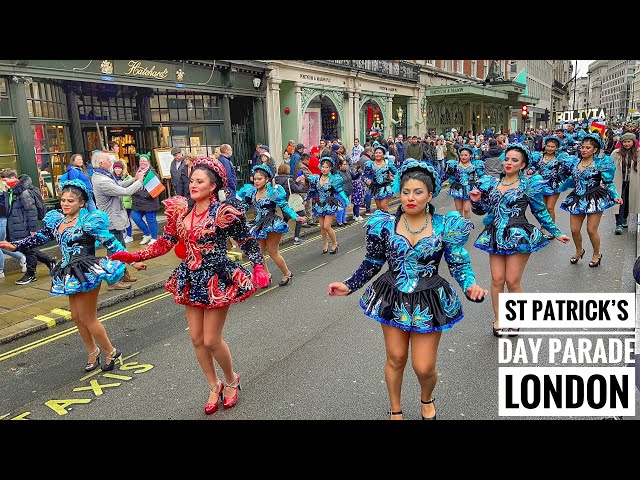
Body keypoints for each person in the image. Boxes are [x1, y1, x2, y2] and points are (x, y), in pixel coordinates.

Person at [328, 160, 487, 420]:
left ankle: (427, 398)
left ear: (430, 194)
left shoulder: (445, 225)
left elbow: (458, 261)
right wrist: (349, 285)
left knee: (423, 367)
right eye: (405, 192)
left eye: (418, 192)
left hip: (429, 298)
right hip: (393, 295)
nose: (410, 198)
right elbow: (373, 262)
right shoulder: (384, 224)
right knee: (396, 357)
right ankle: (396, 409)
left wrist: (470, 285)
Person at [110, 157, 270, 414]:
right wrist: (134, 256)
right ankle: (213, 385)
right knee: (196, 339)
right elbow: (165, 243)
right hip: (191, 276)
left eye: (199, 181)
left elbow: (247, 240)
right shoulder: (181, 211)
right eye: (192, 180)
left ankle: (231, 379)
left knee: (211, 339)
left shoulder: (223, 211)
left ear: (213, 185)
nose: (193, 185)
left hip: (218, 275)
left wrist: (259, 265)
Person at [0, 180, 146, 371]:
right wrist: (16, 245)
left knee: (88, 318)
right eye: (63, 200)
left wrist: (133, 260)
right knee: (77, 317)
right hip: (69, 271)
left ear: (81, 203)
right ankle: (93, 351)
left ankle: (111, 351)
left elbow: (112, 243)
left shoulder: (89, 221)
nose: (66, 204)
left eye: (71, 201)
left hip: (87, 271)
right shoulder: (57, 221)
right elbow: (40, 238)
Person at [470, 143, 570, 336]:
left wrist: (556, 232)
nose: (509, 163)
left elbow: (540, 211)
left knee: (512, 280)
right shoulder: (491, 183)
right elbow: (483, 210)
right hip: (495, 234)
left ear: (523, 165)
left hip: (519, 235)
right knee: (497, 279)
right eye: (507, 159)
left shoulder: (528, 185)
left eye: (514, 160)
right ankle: (499, 318)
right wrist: (476, 201)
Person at [558, 133, 622, 267]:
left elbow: (608, 182)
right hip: (577, 198)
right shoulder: (574, 162)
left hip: (594, 198)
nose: (584, 150)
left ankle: (597, 254)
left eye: (587, 148)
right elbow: (569, 179)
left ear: (594, 149)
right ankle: (579, 251)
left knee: (591, 230)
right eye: (582, 147)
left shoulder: (601, 163)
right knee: (574, 229)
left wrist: (615, 195)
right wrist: (557, 187)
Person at [236, 164, 306, 286]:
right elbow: (243, 207)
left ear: (267, 179)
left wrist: (296, 217)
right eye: (255, 179)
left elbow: (285, 206)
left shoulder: (273, 192)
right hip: (258, 224)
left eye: (260, 179)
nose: (257, 181)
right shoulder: (252, 193)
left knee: (273, 252)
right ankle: (266, 276)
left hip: (272, 224)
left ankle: (287, 273)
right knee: (258, 254)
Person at [91, 151, 143, 289]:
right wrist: (139, 182)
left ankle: (122, 274)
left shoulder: (104, 176)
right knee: (113, 252)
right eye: (109, 160)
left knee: (121, 248)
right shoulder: (102, 181)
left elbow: (119, 184)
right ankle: (113, 281)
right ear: (101, 163)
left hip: (115, 219)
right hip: (111, 221)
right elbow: (124, 191)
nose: (111, 163)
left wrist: (133, 179)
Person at [1, 168, 56, 284]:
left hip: (24, 226)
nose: (4, 183)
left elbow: (31, 211)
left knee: (28, 250)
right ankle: (49, 261)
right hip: (17, 226)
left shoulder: (23, 192)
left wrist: (33, 229)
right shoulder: (11, 191)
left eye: (5, 180)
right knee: (26, 248)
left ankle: (31, 274)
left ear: (12, 178)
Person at [305, 157, 350, 254]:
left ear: (330, 168)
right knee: (321, 226)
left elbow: (340, 191)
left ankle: (334, 243)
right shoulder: (316, 178)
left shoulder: (334, 179)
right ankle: (325, 243)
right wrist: (306, 199)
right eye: (323, 167)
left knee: (326, 226)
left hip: (330, 203)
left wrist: (346, 201)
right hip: (319, 204)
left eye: (326, 167)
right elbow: (312, 191)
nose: (324, 169)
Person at [525, 135, 569, 228]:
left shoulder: (559, 158)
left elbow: (566, 170)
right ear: (545, 146)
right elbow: (533, 166)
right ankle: (544, 228)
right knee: (543, 209)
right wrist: (531, 170)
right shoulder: (539, 156)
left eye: (552, 147)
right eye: (548, 146)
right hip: (541, 185)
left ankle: (552, 229)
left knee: (550, 208)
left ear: (556, 148)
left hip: (554, 185)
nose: (550, 148)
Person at [441, 146, 484, 219]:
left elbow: (482, 176)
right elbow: (446, 175)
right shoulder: (454, 164)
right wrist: (437, 182)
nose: (463, 157)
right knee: (458, 210)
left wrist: (482, 186)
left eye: (466, 155)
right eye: (461, 155)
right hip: (457, 188)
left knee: (466, 209)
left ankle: (467, 226)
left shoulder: (475, 164)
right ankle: (460, 226)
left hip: (469, 189)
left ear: (470, 155)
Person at [0, 172, 27, 278]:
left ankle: (1, 270)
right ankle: (21, 257)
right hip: (4, 220)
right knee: (2, 245)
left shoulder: (4, 191)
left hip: (2, 220)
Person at [612, 132, 639, 234]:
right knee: (619, 202)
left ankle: (624, 218)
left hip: (633, 182)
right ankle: (618, 224)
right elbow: (609, 167)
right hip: (619, 181)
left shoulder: (638, 152)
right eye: (624, 142)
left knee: (628, 202)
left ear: (633, 142)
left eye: (629, 141)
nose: (627, 144)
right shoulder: (616, 153)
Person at [130, 154, 160, 245]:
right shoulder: (137, 172)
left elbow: (156, 188)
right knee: (135, 218)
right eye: (141, 161)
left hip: (149, 202)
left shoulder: (152, 173)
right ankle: (147, 234)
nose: (142, 163)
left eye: (144, 161)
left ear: (148, 162)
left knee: (151, 220)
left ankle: (154, 238)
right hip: (137, 202)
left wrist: (143, 195)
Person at [273, 163, 307, 244]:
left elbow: (284, 188)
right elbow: (298, 190)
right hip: (290, 203)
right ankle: (296, 238)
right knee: (300, 215)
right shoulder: (289, 180)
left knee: (286, 218)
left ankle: (277, 236)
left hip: (281, 204)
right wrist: (302, 182)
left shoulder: (274, 180)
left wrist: (295, 182)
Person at [362, 145, 397, 212]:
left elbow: (396, 172)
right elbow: (363, 175)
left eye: (380, 153)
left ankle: (388, 221)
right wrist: (366, 180)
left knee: (383, 206)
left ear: (383, 154)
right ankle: (382, 221)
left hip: (387, 187)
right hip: (376, 188)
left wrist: (394, 178)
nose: (378, 154)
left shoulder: (388, 162)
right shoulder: (369, 164)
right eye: (376, 153)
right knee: (379, 208)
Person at [112, 161, 134, 243]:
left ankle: (129, 235)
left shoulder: (127, 177)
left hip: (126, 202)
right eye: (116, 168)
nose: (117, 170)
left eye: (119, 168)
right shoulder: (111, 178)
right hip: (117, 203)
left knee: (127, 219)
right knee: (120, 219)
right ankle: (124, 233)